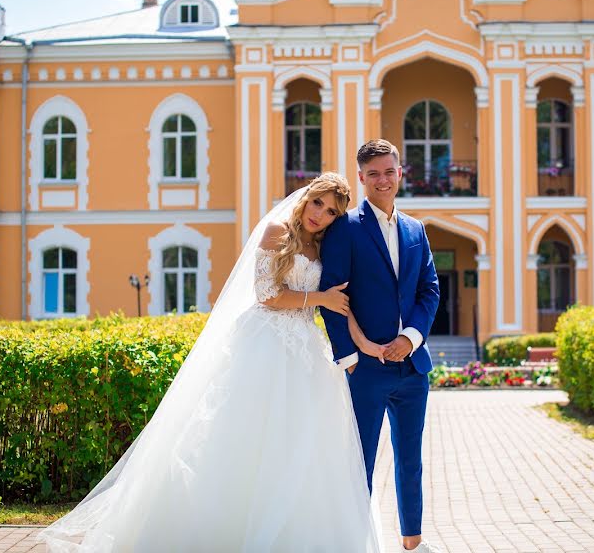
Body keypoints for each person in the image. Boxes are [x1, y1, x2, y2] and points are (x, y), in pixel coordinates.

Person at [39, 173, 382, 552]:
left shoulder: (324, 247)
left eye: (332, 211)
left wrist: (359, 343)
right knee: (246, 435)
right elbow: (267, 295)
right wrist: (319, 299)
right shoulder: (275, 231)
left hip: (305, 348)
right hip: (265, 343)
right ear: (306, 197)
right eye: (319, 203)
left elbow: (340, 299)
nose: (321, 214)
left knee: (302, 441)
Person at [320, 139, 441, 553]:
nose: (383, 180)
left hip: (412, 369)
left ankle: (413, 543)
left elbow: (430, 291)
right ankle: (355, 544)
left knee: (411, 461)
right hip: (365, 370)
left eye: (389, 171)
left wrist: (411, 338)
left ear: (400, 173)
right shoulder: (345, 229)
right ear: (361, 178)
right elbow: (331, 295)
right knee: (361, 463)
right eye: (373, 173)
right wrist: (351, 359)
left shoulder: (415, 229)